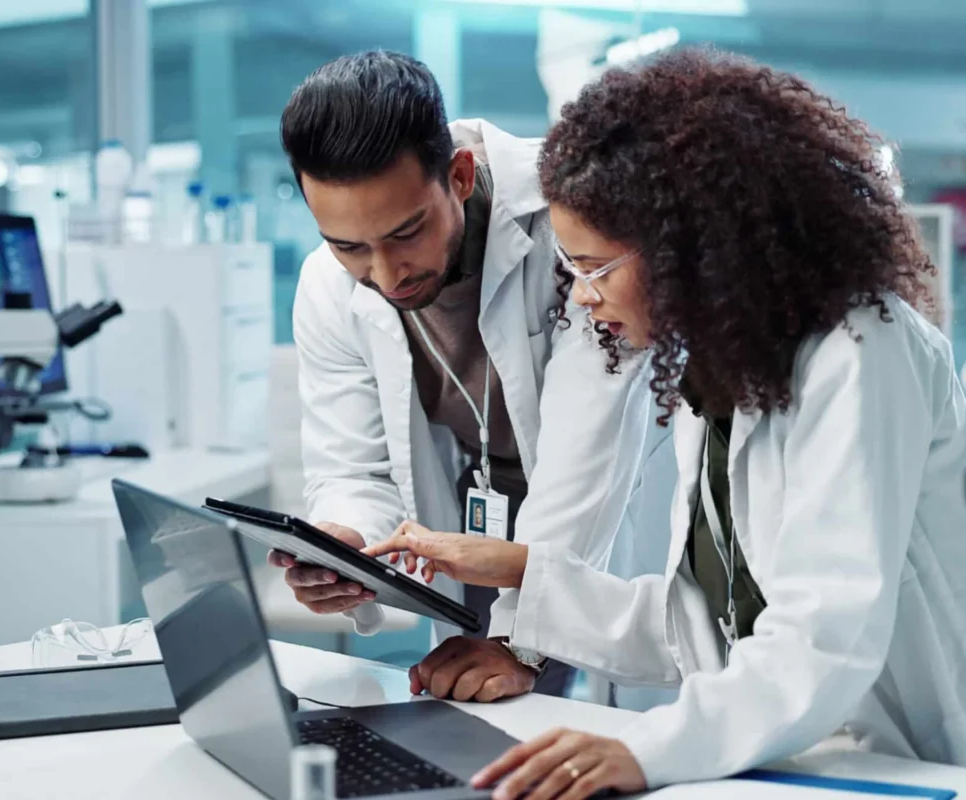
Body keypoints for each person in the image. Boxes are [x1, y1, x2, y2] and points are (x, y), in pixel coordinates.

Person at [365, 49, 966, 797]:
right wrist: (520, 570)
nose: (579, 298)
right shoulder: (717, 370)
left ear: (692, 251)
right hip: (786, 754)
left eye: (593, 266)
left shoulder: (861, 350)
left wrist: (647, 749)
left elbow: (822, 641)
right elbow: (699, 628)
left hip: (895, 763)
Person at [270, 50, 676, 701]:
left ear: (459, 175)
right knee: (483, 713)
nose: (384, 274)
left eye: (406, 232)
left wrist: (520, 640)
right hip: (481, 511)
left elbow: (589, 452)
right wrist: (345, 545)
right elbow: (353, 469)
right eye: (348, 245)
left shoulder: (571, 215)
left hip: (611, 503)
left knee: (621, 709)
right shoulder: (327, 284)